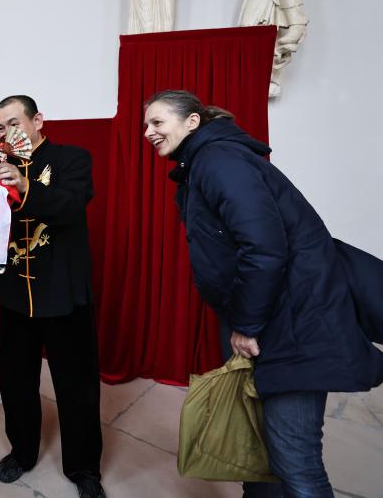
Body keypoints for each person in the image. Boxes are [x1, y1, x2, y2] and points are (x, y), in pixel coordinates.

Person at [143, 89, 383, 498]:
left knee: (295, 461)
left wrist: (247, 325)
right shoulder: (206, 162)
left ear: (192, 121)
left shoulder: (219, 161)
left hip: (292, 326)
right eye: (146, 124)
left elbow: (264, 249)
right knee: (261, 449)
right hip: (274, 316)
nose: (148, 132)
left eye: (157, 122)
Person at [0, 95, 106, 498]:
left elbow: (70, 206)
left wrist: (25, 184)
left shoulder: (71, 159)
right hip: (15, 290)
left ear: (38, 121)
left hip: (64, 291)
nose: (7, 133)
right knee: (16, 382)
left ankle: (84, 467)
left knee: (77, 386)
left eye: (14, 123)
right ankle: (23, 451)